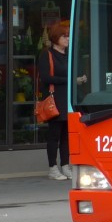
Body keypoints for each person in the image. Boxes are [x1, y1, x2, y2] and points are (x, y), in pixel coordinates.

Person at [37, 20, 86, 181]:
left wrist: (79, 79)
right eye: (64, 36)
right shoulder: (47, 54)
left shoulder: (69, 55)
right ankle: (53, 167)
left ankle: (65, 165)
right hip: (55, 98)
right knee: (54, 134)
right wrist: (71, 80)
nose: (67, 39)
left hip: (67, 98)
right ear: (56, 37)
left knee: (66, 134)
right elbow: (45, 77)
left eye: (69, 36)